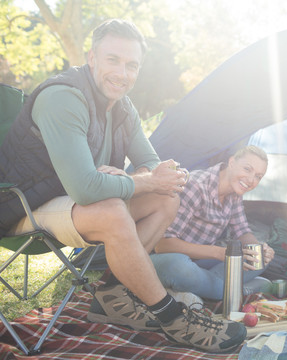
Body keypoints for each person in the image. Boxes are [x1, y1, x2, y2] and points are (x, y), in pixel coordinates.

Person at [0, 19, 245, 353]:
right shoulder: (63, 98)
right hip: (23, 205)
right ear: (92, 58)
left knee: (165, 197)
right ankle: (172, 317)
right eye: (113, 60)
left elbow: (155, 168)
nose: (122, 73)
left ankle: (114, 292)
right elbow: (87, 190)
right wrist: (137, 180)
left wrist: (145, 178)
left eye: (132, 65)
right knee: (114, 209)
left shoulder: (123, 108)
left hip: (71, 202)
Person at [150, 145, 275, 301]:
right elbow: (162, 245)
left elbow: (242, 231)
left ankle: (203, 288)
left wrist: (259, 249)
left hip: (201, 264)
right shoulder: (196, 186)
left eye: (258, 176)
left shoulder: (235, 192)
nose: (251, 180)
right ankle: (233, 290)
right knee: (179, 266)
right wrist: (219, 253)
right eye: (247, 169)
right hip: (166, 260)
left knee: (259, 260)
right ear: (231, 162)